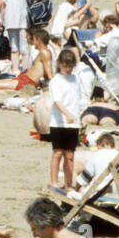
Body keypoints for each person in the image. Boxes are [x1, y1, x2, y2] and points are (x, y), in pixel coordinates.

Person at [48, 49, 85, 190]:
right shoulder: (55, 81)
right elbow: (57, 101)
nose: (68, 69)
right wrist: (67, 114)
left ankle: (69, 184)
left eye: (70, 66)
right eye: (65, 66)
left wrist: (78, 116)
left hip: (73, 124)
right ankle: (54, 183)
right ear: (59, 64)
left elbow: (78, 99)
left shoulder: (75, 79)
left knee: (70, 155)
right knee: (57, 152)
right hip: (58, 123)